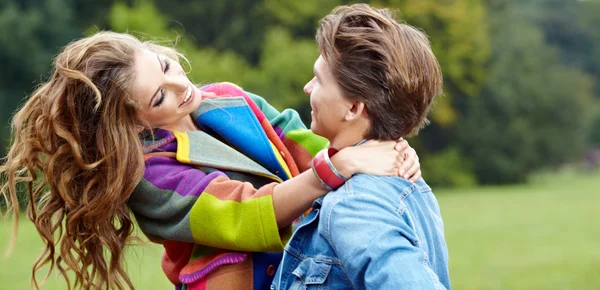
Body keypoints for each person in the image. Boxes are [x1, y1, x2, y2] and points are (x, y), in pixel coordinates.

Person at [0, 31, 422, 289]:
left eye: (165, 66)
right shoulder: (150, 177)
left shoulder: (228, 98)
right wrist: (339, 168)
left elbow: (299, 138)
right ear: (128, 125)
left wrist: (385, 150)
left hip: (304, 264)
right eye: (159, 96)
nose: (179, 83)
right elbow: (245, 213)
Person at [271, 4, 450, 290]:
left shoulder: (354, 204)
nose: (307, 87)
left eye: (318, 79)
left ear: (353, 107)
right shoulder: (408, 182)